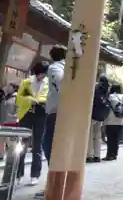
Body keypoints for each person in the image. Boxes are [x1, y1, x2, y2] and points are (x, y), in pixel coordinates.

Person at [35, 45, 66, 199]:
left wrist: (62, 96)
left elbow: (60, 80)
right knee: (58, 150)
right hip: (65, 112)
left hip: (55, 112)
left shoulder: (54, 68)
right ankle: (57, 185)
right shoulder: (68, 66)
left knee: (48, 147)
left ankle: (52, 186)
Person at [16, 61, 49, 186]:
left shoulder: (48, 83)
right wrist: (30, 100)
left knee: (37, 146)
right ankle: (18, 174)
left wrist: (40, 100)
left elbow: (49, 97)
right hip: (26, 115)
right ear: (38, 72)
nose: (43, 76)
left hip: (41, 115)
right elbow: (19, 99)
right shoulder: (26, 82)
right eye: (42, 74)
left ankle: (35, 174)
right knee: (22, 146)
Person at [87, 75, 110, 163]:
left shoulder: (96, 89)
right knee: (98, 136)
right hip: (101, 116)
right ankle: (97, 155)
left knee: (90, 136)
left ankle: (89, 155)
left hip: (93, 115)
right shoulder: (106, 90)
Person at [103, 84, 123, 161]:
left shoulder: (111, 96)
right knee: (116, 139)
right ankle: (115, 154)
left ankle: (109, 154)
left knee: (110, 139)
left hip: (111, 120)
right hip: (120, 120)